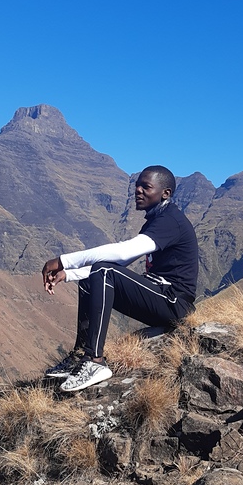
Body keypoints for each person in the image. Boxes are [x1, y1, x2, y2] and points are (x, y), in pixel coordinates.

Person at [41, 165, 198, 392]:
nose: (138, 190)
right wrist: (69, 275)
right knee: (94, 277)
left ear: (166, 193)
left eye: (146, 186)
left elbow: (122, 253)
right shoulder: (156, 220)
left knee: (103, 271)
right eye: (137, 185)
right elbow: (119, 264)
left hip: (175, 303)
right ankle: (79, 356)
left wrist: (64, 260)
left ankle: (95, 362)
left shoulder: (170, 221)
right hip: (159, 297)